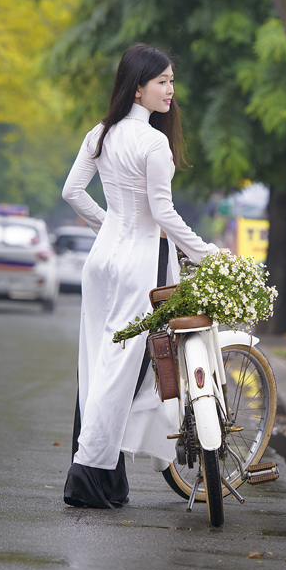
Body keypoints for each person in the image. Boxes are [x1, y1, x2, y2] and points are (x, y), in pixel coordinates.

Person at [61, 43, 217, 509]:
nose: (171, 90)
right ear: (138, 88)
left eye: (172, 81)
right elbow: (163, 213)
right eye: (162, 82)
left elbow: (72, 191)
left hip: (102, 262)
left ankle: (107, 478)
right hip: (138, 266)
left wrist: (108, 226)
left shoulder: (101, 133)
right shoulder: (153, 143)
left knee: (97, 366)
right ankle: (86, 476)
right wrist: (206, 253)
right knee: (123, 369)